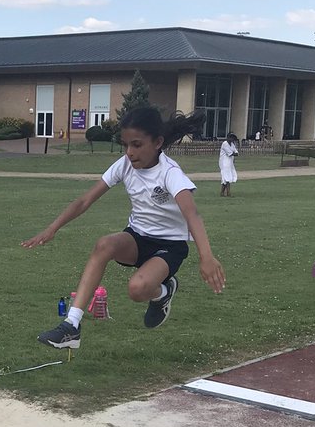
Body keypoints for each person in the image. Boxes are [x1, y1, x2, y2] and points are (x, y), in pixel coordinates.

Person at [22, 106, 225, 351]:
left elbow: (192, 214)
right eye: (125, 145)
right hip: (137, 239)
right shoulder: (124, 165)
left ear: (158, 142)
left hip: (168, 246)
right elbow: (85, 200)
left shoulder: (170, 173)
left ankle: (163, 291)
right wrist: (52, 228)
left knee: (137, 290)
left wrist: (207, 257)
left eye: (137, 145)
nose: (129, 152)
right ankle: (71, 326)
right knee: (104, 244)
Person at [219, 133, 239, 197]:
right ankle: (228, 193)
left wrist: (234, 153)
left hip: (230, 162)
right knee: (227, 177)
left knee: (226, 178)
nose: (233, 139)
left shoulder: (232, 144)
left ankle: (222, 193)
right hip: (224, 162)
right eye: (232, 138)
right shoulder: (225, 144)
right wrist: (234, 153)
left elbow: (236, 152)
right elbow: (230, 154)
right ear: (228, 137)